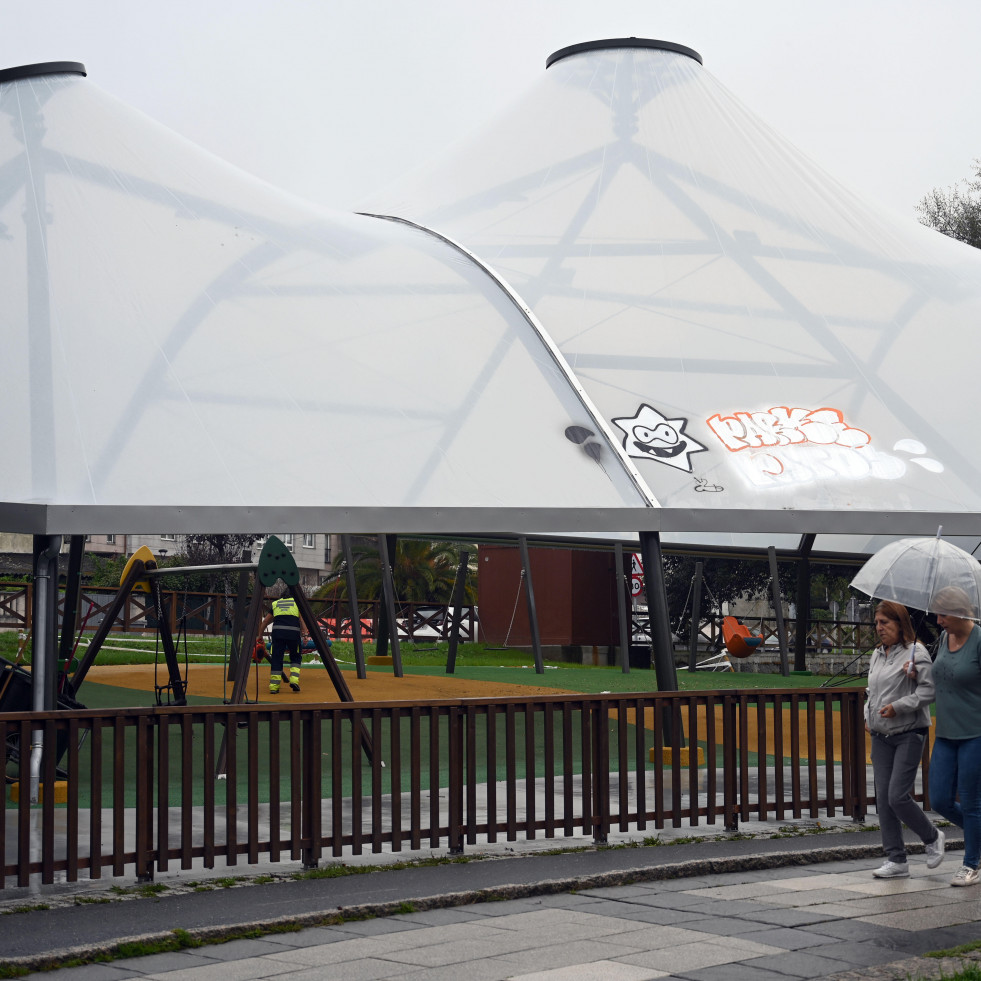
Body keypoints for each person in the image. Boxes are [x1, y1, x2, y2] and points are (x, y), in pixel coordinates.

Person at [865, 600, 944, 879]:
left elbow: (929, 691)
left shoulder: (916, 651)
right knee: (884, 800)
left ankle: (932, 836)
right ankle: (896, 860)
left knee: (897, 796)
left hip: (909, 732)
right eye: (877, 623)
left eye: (885, 622)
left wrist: (898, 707)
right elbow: (871, 691)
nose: (879, 628)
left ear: (900, 624)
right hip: (880, 735)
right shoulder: (877, 654)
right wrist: (868, 715)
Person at [927, 585, 981, 887]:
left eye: (943, 613)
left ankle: (971, 864)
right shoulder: (945, 640)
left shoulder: (979, 640)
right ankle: (978, 838)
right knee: (940, 799)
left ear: (960, 612)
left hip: (976, 732)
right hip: (946, 732)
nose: (938, 620)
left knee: (972, 803)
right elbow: (942, 677)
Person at [258, 585, 303, 694]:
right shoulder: (297, 603)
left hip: (278, 634)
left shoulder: (276, 603)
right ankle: (294, 680)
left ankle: (274, 687)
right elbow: (302, 620)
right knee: (296, 656)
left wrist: (259, 635)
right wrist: (305, 634)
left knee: (277, 659)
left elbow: (265, 622)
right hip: (293, 634)